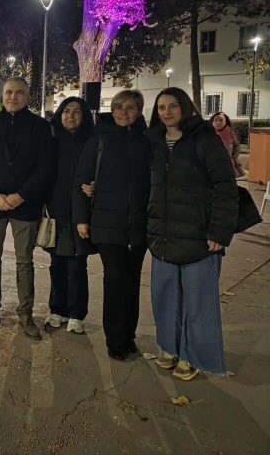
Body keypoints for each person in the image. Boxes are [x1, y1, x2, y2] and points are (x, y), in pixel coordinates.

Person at [147, 88, 238, 380]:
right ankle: (169, 348)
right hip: (163, 236)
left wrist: (219, 232)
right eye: (161, 107)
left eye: (173, 106)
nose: (167, 112)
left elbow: (226, 187)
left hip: (199, 237)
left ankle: (192, 356)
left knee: (198, 303)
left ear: (185, 108)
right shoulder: (154, 143)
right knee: (165, 299)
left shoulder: (205, 140)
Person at [0, 77, 54, 339]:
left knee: (24, 262)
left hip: (25, 205)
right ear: (2, 94)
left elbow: (45, 167)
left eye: (19, 93)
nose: (13, 97)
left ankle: (25, 314)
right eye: (8, 92)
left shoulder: (40, 127)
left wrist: (22, 195)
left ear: (27, 96)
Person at [73, 89, 151, 361]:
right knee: (115, 279)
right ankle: (115, 340)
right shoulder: (99, 140)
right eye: (118, 107)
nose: (123, 112)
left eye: (130, 107)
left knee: (132, 281)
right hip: (107, 223)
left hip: (140, 224)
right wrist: (81, 218)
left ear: (139, 111)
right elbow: (82, 180)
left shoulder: (148, 141)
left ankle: (129, 336)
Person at [43, 97, 96, 335]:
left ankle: (76, 314)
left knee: (77, 265)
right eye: (66, 111)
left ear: (84, 116)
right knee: (57, 263)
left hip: (82, 212)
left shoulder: (93, 141)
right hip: (56, 211)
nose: (71, 116)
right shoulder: (51, 141)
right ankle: (57, 310)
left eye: (76, 112)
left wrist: (95, 187)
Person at [210, 112, 244, 178]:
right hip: (213, 163)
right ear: (212, 122)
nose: (218, 122)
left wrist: (234, 155)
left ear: (226, 122)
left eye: (221, 120)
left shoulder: (230, 132)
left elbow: (237, 145)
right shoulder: (209, 133)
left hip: (227, 163)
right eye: (216, 120)